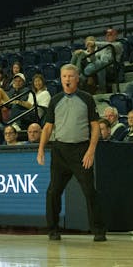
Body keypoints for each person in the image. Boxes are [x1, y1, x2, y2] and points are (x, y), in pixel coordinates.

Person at [37, 63, 106, 241]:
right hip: (60, 151)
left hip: (81, 150)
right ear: (61, 79)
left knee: (90, 191)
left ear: (77, 78)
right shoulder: (55, 100)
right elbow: (47, 127)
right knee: (53, 191)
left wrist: (91, 150)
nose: (67, 79)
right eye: (64, 76)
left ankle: (98, 231)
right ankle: (53, 230)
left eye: (70, 76)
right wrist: (41, 149)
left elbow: (95, 126)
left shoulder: (87, 98)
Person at [83, 27, 124, 92]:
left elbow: (110, 45)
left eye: (110, 35)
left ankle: (102, 89)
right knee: (91, 65)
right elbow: (94, 60)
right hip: (101, 68)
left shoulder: (119, 45)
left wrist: (95, 43)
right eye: (107, 35)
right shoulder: (103, 48)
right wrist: (92, 52)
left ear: (115, 36)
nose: (108, 36)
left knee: (98, 64)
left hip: (112, 69)